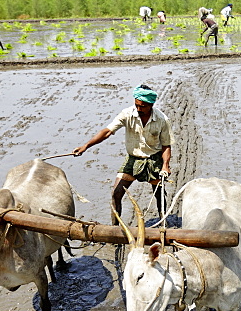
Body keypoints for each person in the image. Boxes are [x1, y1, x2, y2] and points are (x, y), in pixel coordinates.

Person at [73, 85, 172, 222]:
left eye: (143, 106)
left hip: (153, 160)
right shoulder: (127, 114)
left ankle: (163, 223)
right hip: (132, 160)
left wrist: (165, 165)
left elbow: (166, 145)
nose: (139, 109)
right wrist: (86, 146)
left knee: (159, 195)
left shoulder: (162, 120)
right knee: (116, 193)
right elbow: (107, 131)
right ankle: (116, 230)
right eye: (137, 105)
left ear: (151, 105)